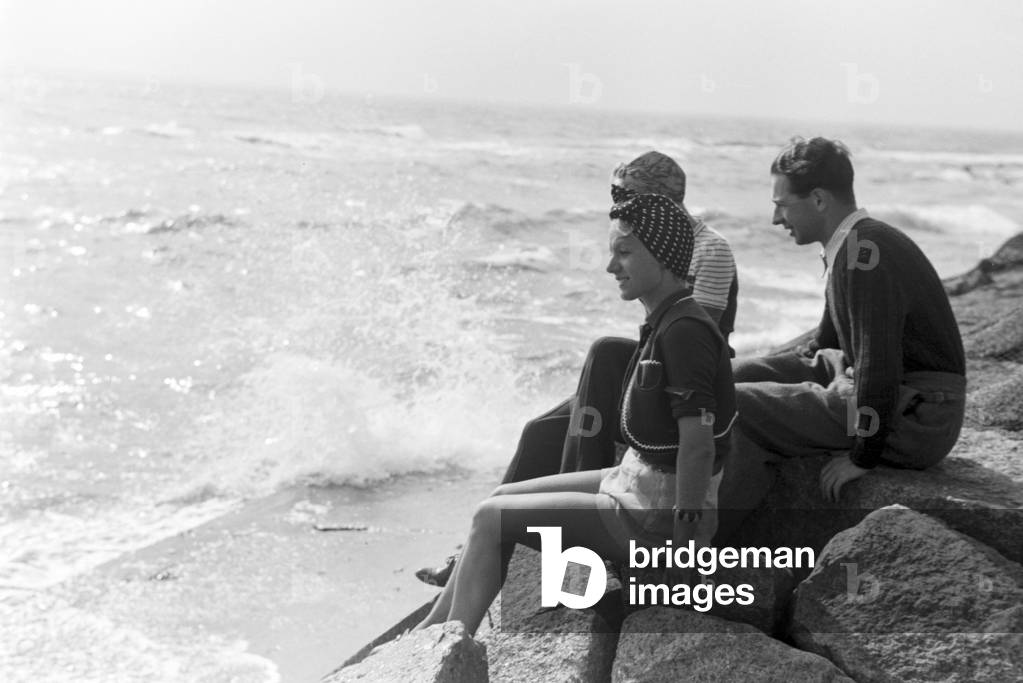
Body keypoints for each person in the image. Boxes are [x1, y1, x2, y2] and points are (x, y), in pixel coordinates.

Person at [413, 193, 736, 636]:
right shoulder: (667, 318)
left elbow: (698, 445)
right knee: (501, 497)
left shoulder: (685, 331)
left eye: (624, 253)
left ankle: (445, 645)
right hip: (634, 479)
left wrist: (685, 547)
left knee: (491, 519)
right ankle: (433, 630)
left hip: (652, 514)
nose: (611, 267)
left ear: (661, 256)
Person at [734, 136, 966, 501]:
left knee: (734, 403)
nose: (776, 218)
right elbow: (825, 345)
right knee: (729, 378)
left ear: (819, 199)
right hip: (888, 393)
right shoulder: (852, 244)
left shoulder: (864, 254)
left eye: (782, 205)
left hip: (917, 417)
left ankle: (707, 529)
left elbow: (879, 362)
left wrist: (863, 456)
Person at [502, 151, 738, 483]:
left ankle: (578, 494)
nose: (618, 205)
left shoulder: (709, 248)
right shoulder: (642, 244)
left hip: (680, 376)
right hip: (651, 362)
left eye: (624, 195)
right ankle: (500, 529)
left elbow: (695, 340)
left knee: (607, 352)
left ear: (658, 201)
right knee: (538, 432)